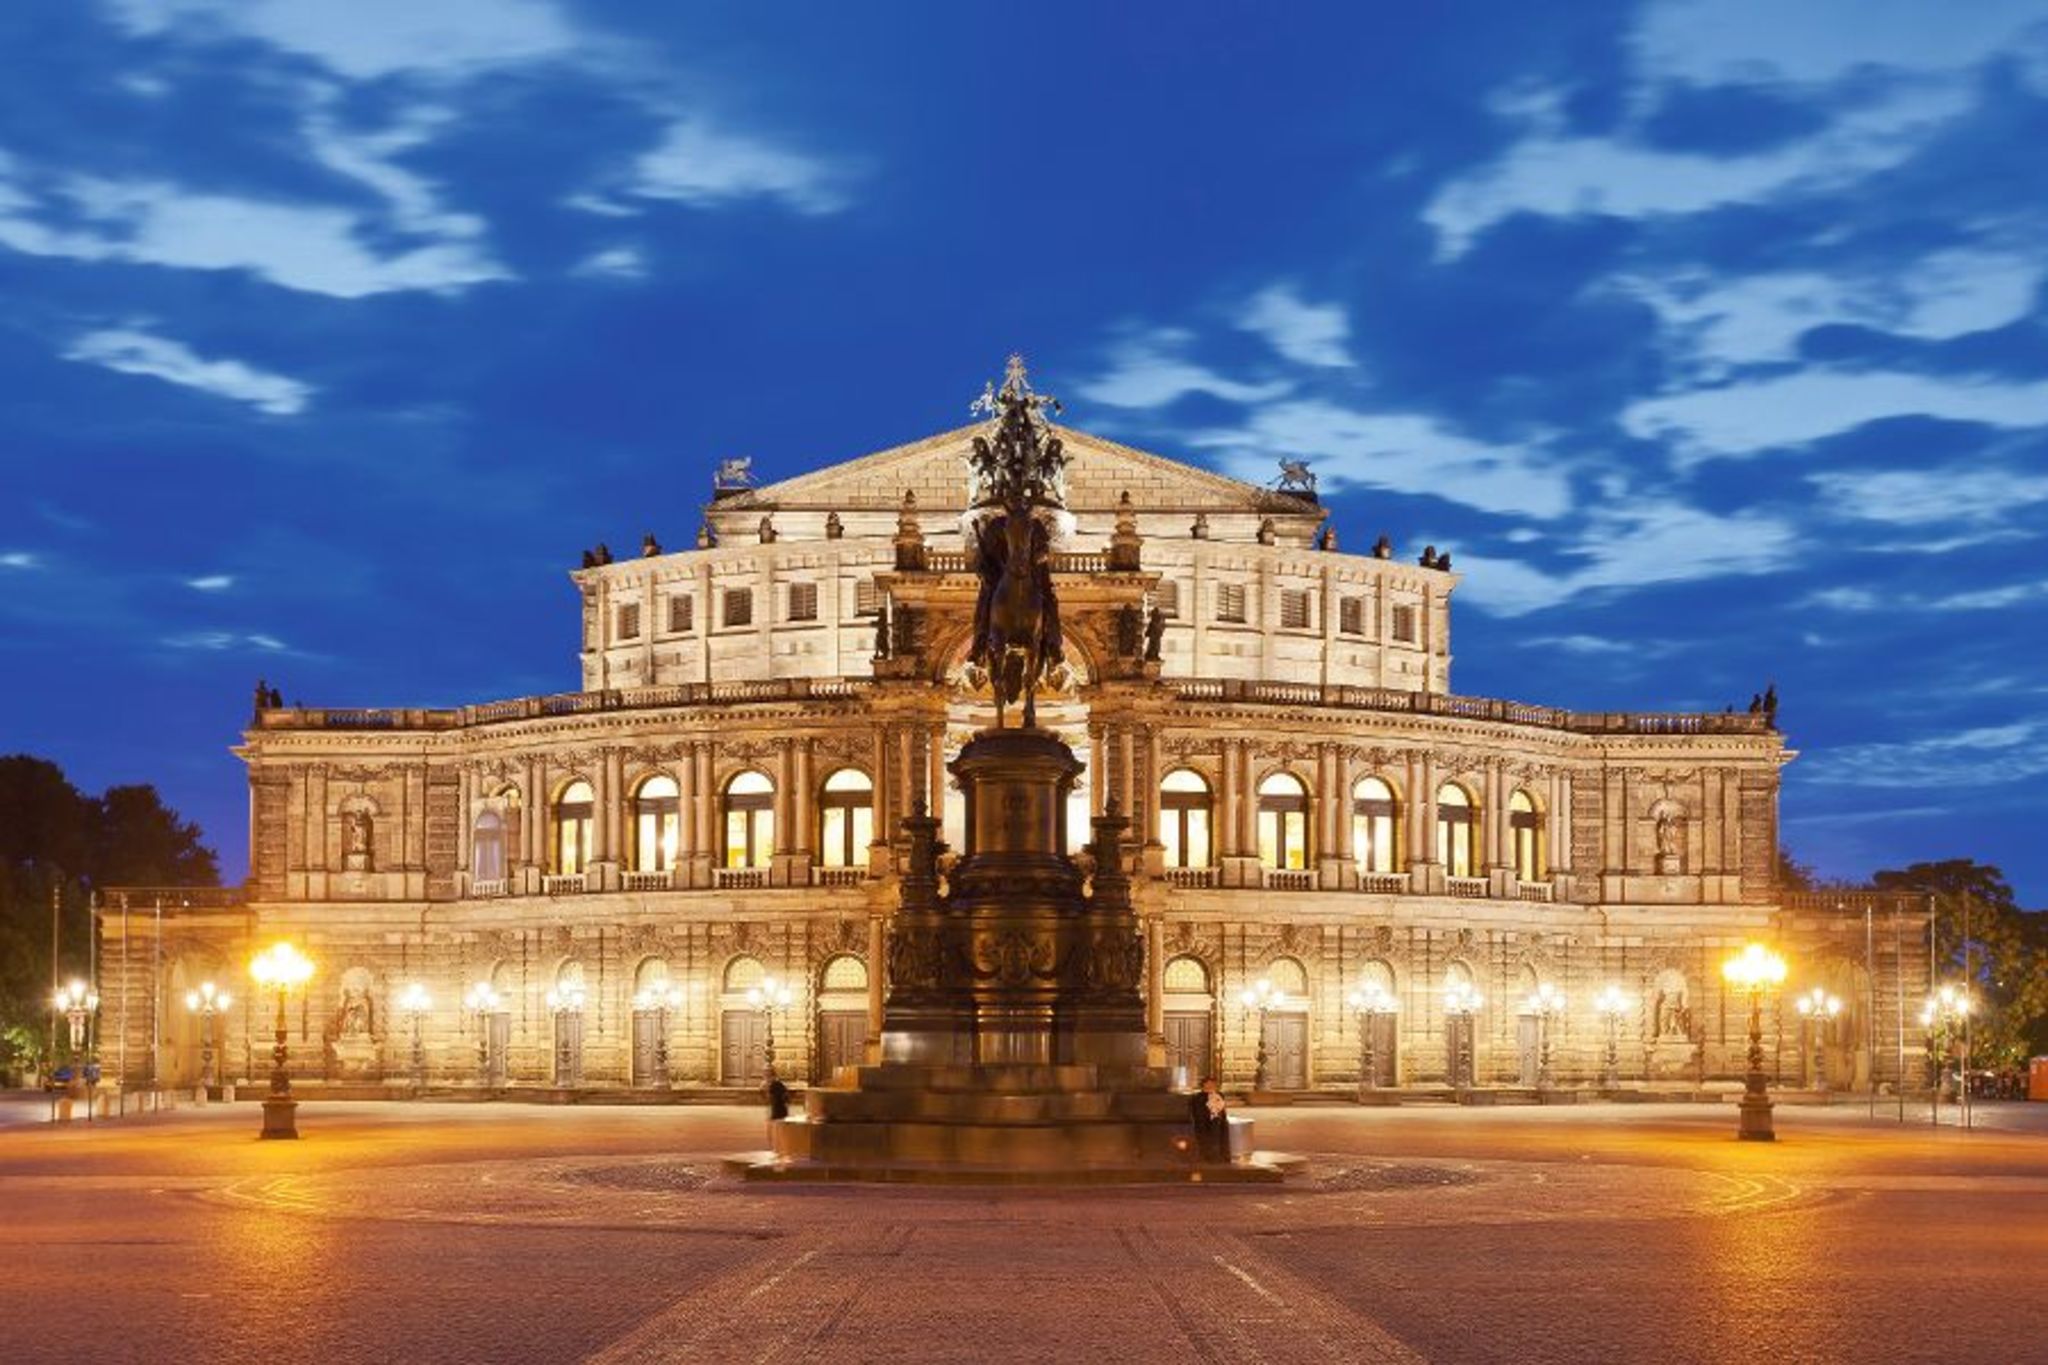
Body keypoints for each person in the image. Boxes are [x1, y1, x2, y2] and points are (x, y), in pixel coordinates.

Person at [1188, 1076, 1229, 1164]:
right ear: (1203, 1085)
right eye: (1208, 1083)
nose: (1211, 1086)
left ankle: (1218, 1157)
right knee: (1205, 1140)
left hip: (1217, 1122)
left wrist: (1223, 1120)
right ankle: (1205, 1158)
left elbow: (1223, 1110)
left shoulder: (1219, 1095)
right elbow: (1196, 1111)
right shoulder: (1197, 1097)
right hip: (1203, 1123)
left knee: (1218, 1140)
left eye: (1213, 1084)